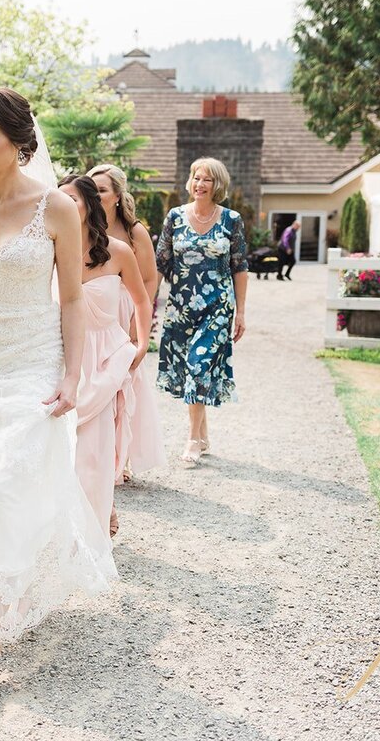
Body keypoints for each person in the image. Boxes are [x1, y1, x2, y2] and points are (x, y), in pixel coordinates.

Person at [0, 87, 118, 691]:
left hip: (34, 365)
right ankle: (3, 591)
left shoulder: (57, 209)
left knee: (8, 481)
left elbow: (71, 298)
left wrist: (70, 375)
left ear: (19, 142)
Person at [58, 174, 151, 538]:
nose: (66, 206)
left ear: (89, 207)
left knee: (95, 451)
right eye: (60, 200)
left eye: (74, 200)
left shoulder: (118, 251)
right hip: (64, 358)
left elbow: (141, 300)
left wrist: (141, 344)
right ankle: (69, 524)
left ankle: (93, 526)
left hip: (105, 359)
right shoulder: (50, 252)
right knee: (65, 447)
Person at [155, 157, 249, 463]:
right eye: (196, 177)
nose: (199, 184)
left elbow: (240, 267)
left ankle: (193, 439)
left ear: (217, 184)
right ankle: (203, 432)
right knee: (190, 371)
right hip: (181, 307)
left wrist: (241, 312)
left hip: (217, 306)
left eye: (206, 179)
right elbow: (161, 264)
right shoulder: (175, 217)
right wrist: (147, 305)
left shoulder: (231, 220)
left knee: (198, 364)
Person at [87, 164, 166, 478]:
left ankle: (122, 457)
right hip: (96, 310)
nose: (95, 195)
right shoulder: (81, 225)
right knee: (96, 382)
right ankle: (99, 454)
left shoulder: (134, 232)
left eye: (102, 190)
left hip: (125, 311)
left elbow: (148, 280)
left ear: (117, 196)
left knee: (124, 384)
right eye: (91, 189)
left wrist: (136, 325)